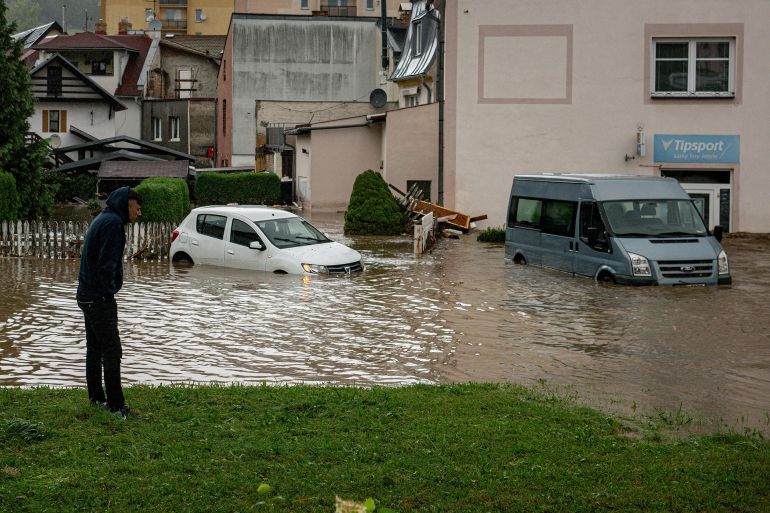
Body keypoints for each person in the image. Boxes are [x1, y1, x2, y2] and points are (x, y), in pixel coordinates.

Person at [76, 187, 142, 419]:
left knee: (95, 348)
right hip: (98, 297)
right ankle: (116, 406)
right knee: (112, 350)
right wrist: (108, 293)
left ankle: (96, 398)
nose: (139, 212)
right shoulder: (113, 224)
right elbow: (106, 265)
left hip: (86, 293)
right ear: (126, 204)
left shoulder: (103, 218)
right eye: (137, 207)